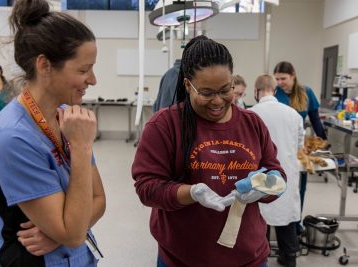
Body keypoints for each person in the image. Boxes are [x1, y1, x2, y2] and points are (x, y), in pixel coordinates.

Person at [132, 36, 286, 267]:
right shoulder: (164, 125)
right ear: (187, 86)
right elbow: (147, 188)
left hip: (248, 256)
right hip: (183, 258)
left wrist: (266, 186)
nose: (217, 101)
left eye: (226, 90)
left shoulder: (252, 124)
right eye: (206, 93)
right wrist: (190, 192)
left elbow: (277, 174)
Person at [0, 0, 106, 266]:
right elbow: (72, 232)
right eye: (83, 70)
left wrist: (63, 234)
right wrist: (81, 148)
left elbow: (98, 199)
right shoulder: (12, 138)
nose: (92, 80)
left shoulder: (67, 118)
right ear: (44, 65)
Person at [250, 75, 305, 267]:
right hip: (285, 173)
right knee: (285, 217)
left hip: (260, 174)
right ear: (274, 90)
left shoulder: (250, 114)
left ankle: (261, 257)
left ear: (256, 92)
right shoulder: (293, 114)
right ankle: (289, 258)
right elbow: (300, 145)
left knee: (260, 217)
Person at [273, 61, 326, 230]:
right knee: (279, 182)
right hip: (279, 143)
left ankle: (296, 221)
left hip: (299, 145)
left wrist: (323, 143)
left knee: (299, 184)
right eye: (277, 79)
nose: (280, 82)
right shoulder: (275, 93)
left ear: (293, 76)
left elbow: (315, 120)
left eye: (283, 78)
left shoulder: (306, 92)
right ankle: (278, 220)